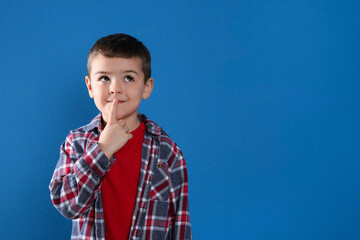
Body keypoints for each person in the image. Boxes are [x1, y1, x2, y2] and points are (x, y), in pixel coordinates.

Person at [49, 33, 192, 240]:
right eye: (105, 78)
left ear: (146, 87)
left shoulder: (168, 152)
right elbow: (67, 204)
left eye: (128, 78)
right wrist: (103, 149)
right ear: (90, 86)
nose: (115, 89)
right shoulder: (77, 142)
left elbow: (180, 224)